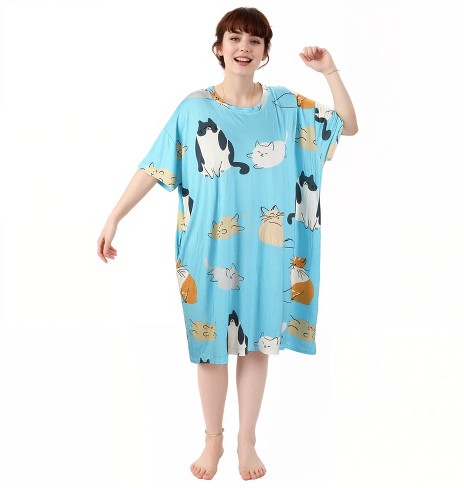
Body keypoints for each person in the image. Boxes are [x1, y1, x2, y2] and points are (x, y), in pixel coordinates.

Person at [97, 6, 358, 482]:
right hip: (207, 246)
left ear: (265, 53)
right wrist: (115, 216)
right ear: (219, 48)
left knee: (257, 343)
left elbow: (347, 124)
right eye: (235, 38)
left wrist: (329, 71)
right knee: (210, 345)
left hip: (268, 248)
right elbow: (154, 165)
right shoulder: (194, 108)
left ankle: (247, 439)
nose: (244, 48)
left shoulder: (285, 105)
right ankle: (213, 438)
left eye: (254, 41)